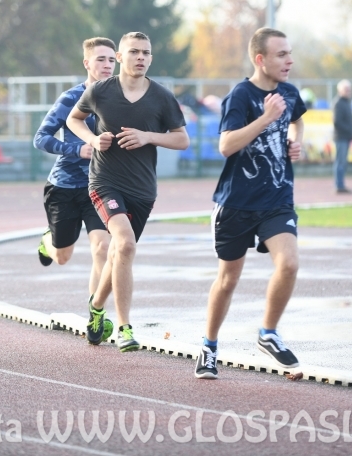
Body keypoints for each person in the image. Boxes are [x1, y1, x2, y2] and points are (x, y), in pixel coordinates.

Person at [66, 32, 189, 352]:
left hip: (143, 189)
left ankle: (95, 307)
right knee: (125, 244)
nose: (140, 58)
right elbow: (73, 119)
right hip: (105, 181)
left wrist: (149, 137)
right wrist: (92, 140)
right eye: (133, 52)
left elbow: (181, 139)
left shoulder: (162, 96)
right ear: (119, 57)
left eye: (146, 53)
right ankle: (124, 327)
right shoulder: (100, 91)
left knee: (120, 252)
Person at [195, 27, 306, 379]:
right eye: (281, 55)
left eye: (289, 53)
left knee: (288, 263)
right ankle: (209, 346)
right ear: (261, 59)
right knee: (228, 281)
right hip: (237, 203)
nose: (289, 61)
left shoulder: (289, 92)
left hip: (277, 198)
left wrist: (294, 140)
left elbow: (298, 118)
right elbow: (226, 145)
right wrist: (266, 119)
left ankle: (268, 333)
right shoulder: (241, 96)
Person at [33, 37, 117, 340]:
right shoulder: (71, 98)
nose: (107, 65)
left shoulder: (121, 98)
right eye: (100, 60)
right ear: (87, 64)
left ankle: (95, 315)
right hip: (65, 187)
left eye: (111, 60)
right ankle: (48, 242)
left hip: (100, 187)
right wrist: (75, 150)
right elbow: (40, 138)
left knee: (103, 248)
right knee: (64, 255)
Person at [332, 79, 352, 194]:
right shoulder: (339, 103)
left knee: (343, 162)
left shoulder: (346, 102)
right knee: (340, 162)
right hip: (340, 137)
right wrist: (349, 130)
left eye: (349, 89)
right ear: (340, 90)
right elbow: (337, 122)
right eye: (346, 89)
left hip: (345, 137)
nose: (348, 92)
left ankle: (341, 184)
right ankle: (339, 185)